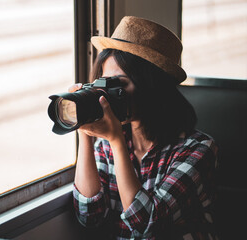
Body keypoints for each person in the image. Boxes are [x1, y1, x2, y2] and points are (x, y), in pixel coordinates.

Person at [71, 16, 219, 239]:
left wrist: (117, 141)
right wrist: (83, 128)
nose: (106, 94)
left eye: (118, 84)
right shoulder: (106, 145)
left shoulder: (199, 149)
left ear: (152, 86)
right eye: (103, 83)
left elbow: (149, 226)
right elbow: (89, 217)